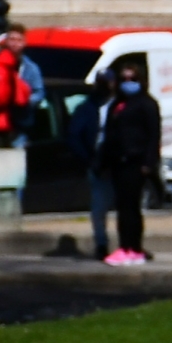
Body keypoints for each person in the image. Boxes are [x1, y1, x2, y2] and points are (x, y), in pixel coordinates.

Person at [95, 54, 161, 264]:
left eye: (132, 79)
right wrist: (102, 162)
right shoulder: (117, 105)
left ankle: (133, 247)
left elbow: (154, 135)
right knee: (122, 207)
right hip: (118, 161)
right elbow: (110, 134)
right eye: (124, 80)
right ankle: (125, 246)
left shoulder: (147, 104)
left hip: (136, 161)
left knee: (131, 207)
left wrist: (148, 163)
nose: (128, 84)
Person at [65, 78, 113, 258]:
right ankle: (101, 243)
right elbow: (74, 135)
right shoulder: (87, 108)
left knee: (127, 207)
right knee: (99, 206)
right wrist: (88, 159)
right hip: (97, 162)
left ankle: (130, 245)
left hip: (119, 161)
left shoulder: (121, 106)